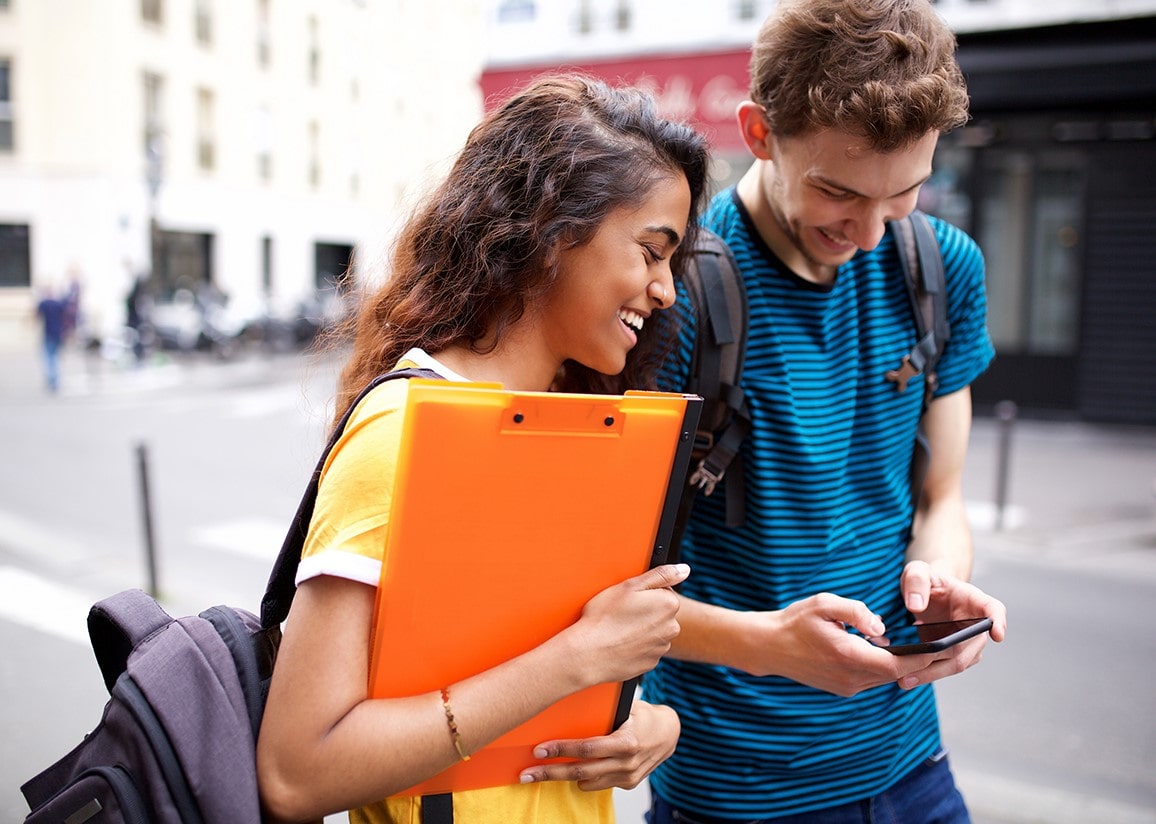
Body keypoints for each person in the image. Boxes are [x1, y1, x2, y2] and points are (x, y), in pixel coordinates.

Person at [256, 74, 711, 824]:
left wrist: (650, 725)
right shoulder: (406, 429)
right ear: (552, 229)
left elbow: (554, 670)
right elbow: (298, 771)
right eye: (651, 251)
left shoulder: (571, 424)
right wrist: (573, 663)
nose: (666, 290)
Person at [643, 1, 1009, 822]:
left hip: (910, 765)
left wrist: (939, 579)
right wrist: (768, 646)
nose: (873, 234)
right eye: (840, 194)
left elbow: (942, 497)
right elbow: (600, 585)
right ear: (760, 132)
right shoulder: (673, 293)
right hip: (734, 790)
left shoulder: (943, 268)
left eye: (904, 195)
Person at [34, 285, 68, 393]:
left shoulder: (44, 303)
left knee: (49, 357)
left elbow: (36, 316)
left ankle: (52, 379)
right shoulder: (59, 304)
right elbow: (66, 317)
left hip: (48, 334)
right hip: (58, 333)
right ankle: (54, 380)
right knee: (54, 357)